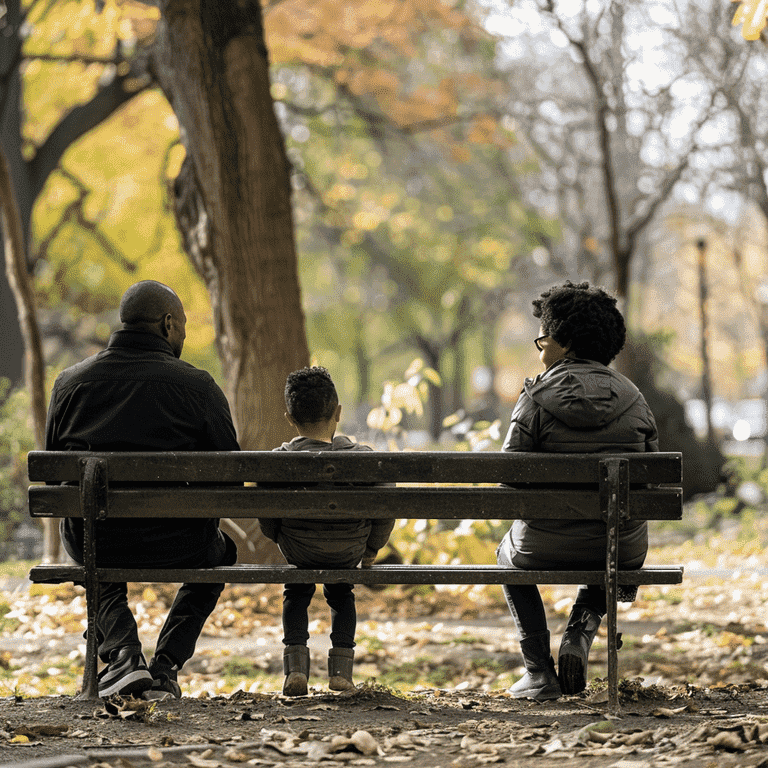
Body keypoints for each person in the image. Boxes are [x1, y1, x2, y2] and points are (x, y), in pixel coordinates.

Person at [45, 280, 240, 699]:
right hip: (181, 542)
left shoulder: (69, 384)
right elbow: (231, 478)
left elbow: (51, 480)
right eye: (184, 326)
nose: (184, 336)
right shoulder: (198, 387)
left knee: (90, 536)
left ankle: (123, 656)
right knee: (224, 552)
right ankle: (165, 667)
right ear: (169, 324)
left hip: (97, 540)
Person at [497, 281, 659, 701]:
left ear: (565, 344)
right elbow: (649, 483)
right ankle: (581, 626)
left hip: (543, 544)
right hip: (617, 547)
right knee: (614, 533)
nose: (540, 350)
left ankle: (538, 670)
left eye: (543, 340)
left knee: (504, 555)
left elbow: (509, 474)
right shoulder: (635, 399)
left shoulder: (535, 396)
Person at [258, 366, 395, 697]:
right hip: (348, 551)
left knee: (296, 592)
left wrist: (281, 537)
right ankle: (341, 672)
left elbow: (265, 513)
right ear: (338, 413)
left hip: (298, 549)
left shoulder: (279, 461)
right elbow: (387, 506)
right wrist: (371, 549)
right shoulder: (363, 459)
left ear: (290, 418)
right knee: (341, 594)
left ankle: (295, 670)